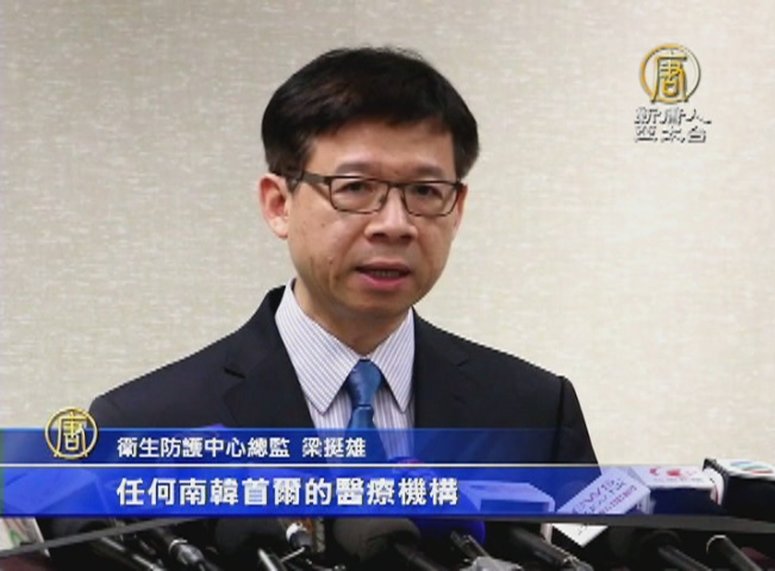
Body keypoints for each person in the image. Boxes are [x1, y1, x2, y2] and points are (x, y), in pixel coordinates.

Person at [88, 46, 596, 465]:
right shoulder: (142, 428)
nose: (394, 224)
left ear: (457, 209)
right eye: (354, 187)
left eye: (425, 191)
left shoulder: (534, 412)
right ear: (279, 204)